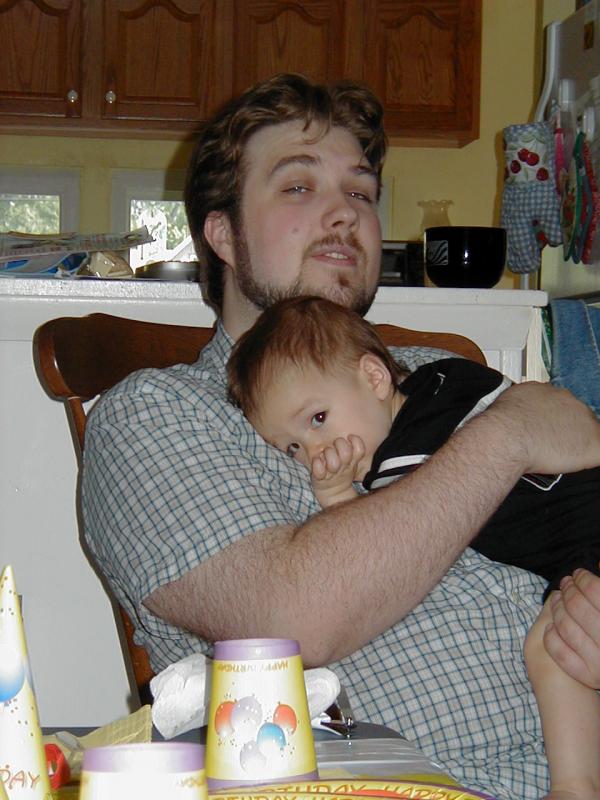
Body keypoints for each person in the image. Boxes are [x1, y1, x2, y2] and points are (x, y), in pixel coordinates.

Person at [81, 73, 600, 800]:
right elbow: (291, 622)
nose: (344, 213)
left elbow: (573, 478)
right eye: (298, 187)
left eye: (360, 191)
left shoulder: (430, 372)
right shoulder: (156, 414)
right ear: (222, 233)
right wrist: (507, 434)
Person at [227, 294, 600, 799]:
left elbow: (383, 538)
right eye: (292, 447)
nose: (314, 452)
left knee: (553, 648)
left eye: (317, 419)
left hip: (583, 530)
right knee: (559, 640)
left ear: (374, 377)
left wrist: (340, 496)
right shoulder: (438, 388)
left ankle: (577, 786)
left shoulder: (411, 448)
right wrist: (336, 490)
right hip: (573, 559)